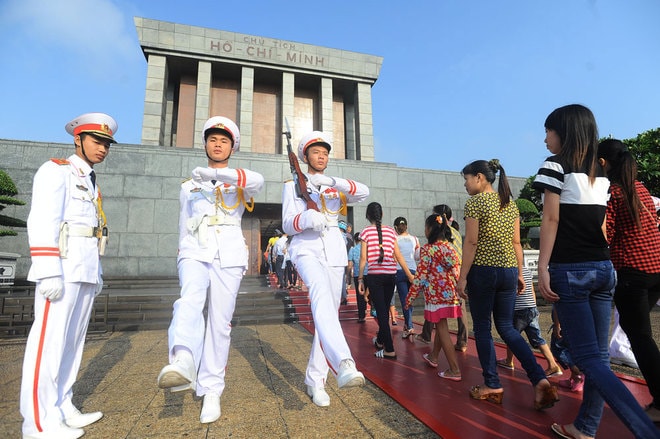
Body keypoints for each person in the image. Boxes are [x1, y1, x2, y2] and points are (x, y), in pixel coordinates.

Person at [533, 105, 659, 439]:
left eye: (549, 131)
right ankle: (585, 427)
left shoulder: (554, 167)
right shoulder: (600, 174)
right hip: (604, 269)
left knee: (590, 359)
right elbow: (603, 228)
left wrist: (543, 268)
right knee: (597, 357)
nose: (545, 138)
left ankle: (646, 430)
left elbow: (551, 219)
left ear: (565, 130)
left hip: (570, 269)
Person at [156, 116, 264, 424]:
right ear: (204, 144)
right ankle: (183, 359)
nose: (217, 144)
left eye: (224, 141)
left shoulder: (241, 180)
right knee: (189, 300)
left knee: (220, 323)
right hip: (194, 249)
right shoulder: (189, 185)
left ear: (232, 147)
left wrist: (217, 175)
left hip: (228, 254)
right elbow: (182, 222)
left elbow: (257, 181)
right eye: (213, 139)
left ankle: (212, 389)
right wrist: (182, 253)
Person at [20, 113, 117, 439]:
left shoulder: (90, 180)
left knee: (71, 345)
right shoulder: (56, 170)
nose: (102, 148)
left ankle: (62, 405)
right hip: (60, 270)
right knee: (48, 346)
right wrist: (47, 271)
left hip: (84, 269)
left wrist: (97, 272)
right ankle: (37, 423)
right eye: (96, 141)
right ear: (78, 139)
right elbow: (43, 220)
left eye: (106, 143)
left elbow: (91, 231)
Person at [457, 159, 557, 410]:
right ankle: (539, 379)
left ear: (480, 177)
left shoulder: (475, 203)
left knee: (482, 327)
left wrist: (462, 277)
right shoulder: (510, 204)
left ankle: (492, 383)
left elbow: (471, 243)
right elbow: (516, 243)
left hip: (484, 271)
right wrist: (521, 274)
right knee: (506, 327)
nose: (466, 185)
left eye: (467, 179)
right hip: (509, 272)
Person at [282, 131, 368, 407]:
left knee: (327, 315)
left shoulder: (334, 187)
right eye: (316, 152)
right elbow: (287, 223)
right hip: (306, 248)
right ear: (304, 157)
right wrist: (307, 217)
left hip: (333, 250)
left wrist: (329, 181)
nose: (321, 157)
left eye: (325, 153)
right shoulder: (292, 185)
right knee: (319, 295)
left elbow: (364, 192)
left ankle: (315, 380)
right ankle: (344, 361)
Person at [598, 138, 660, 423]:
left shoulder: (613, 192)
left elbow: (604, 234)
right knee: (640, 334)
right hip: (655, 270)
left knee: (641, 338)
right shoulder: (641, 188)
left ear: (602, 163)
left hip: (631, 274)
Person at [405, 214, 462, 381]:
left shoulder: (427, 249)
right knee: (441, 325)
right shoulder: (449, 248)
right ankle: (434, 357)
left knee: (442, 329)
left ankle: (454, 369)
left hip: (435, 296)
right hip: (450, 294)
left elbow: (421, 276)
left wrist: (410, 298)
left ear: (430, 229)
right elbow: (456, 270)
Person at [358, 202, 414, 359]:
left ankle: (389, 349)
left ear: (368, 216)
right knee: (384, 311)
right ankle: (381, 340)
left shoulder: (365, 233)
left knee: (382, 312)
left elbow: (363, 258)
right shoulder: (391, 231)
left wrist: (361, 279)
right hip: (391, 276)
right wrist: (410, 275)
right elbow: (399, 256)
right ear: (381, 214)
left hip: (375, 277)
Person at [496, 266, 563, 377]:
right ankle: (553, 364)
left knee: (511, 335)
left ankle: (509, 361)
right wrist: (534, 307)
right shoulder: (525, 270)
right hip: (531, 307)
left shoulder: (510, 271)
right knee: (538, 338)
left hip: (518, 309)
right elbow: (531, 289)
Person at [433, 204, 469, 352]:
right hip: (459, 272)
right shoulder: (456, 231)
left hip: (445, 274)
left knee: (439, 308)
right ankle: (463, 341)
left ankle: (437, 345)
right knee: (461, 307)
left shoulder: (440, 232)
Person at [393, 216, 420, 339]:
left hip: (399, 271)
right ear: (407, 226)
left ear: (395, 228)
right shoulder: (415, 239)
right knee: (410, 299)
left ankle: (409, 326)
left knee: (405, 299)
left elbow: (394, 258)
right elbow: (417, 256)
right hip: (413, 271)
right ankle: (408, 325)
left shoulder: (394, 239)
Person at [348, 232, 368, 322]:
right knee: (369, 293)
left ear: (355, 240)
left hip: (357, 275)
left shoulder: (353, 249)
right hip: (369, 273)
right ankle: (372, 310)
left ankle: (361, 316)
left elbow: (350, 264)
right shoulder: (367, 249)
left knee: (360, 295)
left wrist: (348, 274)